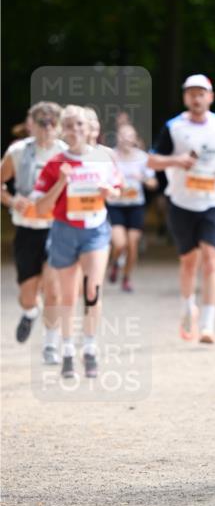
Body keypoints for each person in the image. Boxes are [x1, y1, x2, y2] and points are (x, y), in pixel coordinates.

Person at [32, 105, 121, 379]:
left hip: (95, 231)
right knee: (68, 296)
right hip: (64, 231)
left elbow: (118, 191)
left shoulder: (104, 158)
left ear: (88, 127)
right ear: (63, 130)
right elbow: (39, 207)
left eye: (80, 124)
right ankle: (68, 350)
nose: (76, 130)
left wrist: (110, 192)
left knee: (92, 292)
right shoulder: (55, 163)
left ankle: (90, 349)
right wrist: (60, 182)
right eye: (69, 125)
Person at [148, 75, 215, 344]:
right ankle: (188, 309)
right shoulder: (174, 127)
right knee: (188, 262)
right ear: (185, 98)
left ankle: (208, 325)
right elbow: (152, 161)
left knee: (210, 259)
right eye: (191, 94)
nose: (197, 99)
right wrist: (176, 160)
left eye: (201, 94)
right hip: (182, 201)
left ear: (210, 97)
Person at [0, 101, 64, 361]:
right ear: (31, 125)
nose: (47, 128)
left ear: (58, 126)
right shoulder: (17, 152)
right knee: (28, 295)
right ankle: (30, 313)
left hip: (57, 228)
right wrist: (13, 200)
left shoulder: (66, 153)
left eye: (52, 123)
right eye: (41, 122)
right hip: (27, 229)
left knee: (53, 287)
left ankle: (51, 344)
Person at [107, 122, 158, 292]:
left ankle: (127, 277)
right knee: (120, 243)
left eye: (129, 136)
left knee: (132, 244)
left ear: (135, 139)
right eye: (123, 135)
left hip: (135, 206)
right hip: (116, 205)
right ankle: (115, 263)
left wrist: (142, 178)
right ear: (117, 138)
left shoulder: (142, 157)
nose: (126, 139)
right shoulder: (111, 156)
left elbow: (153, 183)